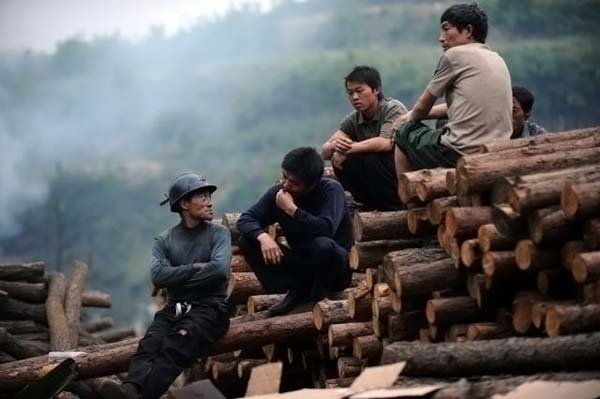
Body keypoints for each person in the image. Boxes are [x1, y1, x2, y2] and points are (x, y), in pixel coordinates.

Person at [98, 173, 231, 399]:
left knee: (177, 342)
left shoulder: (219, 233)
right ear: (184, 204)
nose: (210, 201)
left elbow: (219, 270)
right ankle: (131, 389)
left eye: (209, 196)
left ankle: (140, 397)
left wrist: (178, 277)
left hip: (211, 308)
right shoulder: (165, 240)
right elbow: (158, 277)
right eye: (202, 196)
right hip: (176, 308)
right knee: (150, 343)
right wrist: (193, 268)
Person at [393, 3, 512, 174]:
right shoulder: (496, 58)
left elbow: (422, 106)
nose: (441, 38)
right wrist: (411, 114)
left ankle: (408, 197)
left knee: (403, 133)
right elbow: (463, 105)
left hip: (460, 151)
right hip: (497, 149)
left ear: (468, 31)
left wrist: (407, 119)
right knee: (443, 123)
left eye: (446, 29)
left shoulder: (455, 55)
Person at [237, 147, 354, 316]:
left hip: (335, 268)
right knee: (247, 241)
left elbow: (326, 229)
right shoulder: (278, 193)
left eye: (294, 183)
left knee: (322, 244)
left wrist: (292, 210)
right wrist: (263, 237)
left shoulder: (331, 190)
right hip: (303, 265)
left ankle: (320, 295)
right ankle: (297, 290)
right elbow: (246, 219)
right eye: (285, 177)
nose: (286, 184)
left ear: (312, 184)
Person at [322, 66, 408, 211]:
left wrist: (348, 149)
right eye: (350, 93)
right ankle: (367, 203)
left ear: (376, 90)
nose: (355, 97)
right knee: (342, 161)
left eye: (360, 91)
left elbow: (385, 143)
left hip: (401, 172)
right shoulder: (354, 118)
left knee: (372, 158)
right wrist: (336, 148)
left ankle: (395, 207)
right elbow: (325, 151)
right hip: (375, 178)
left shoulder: (392, 108)